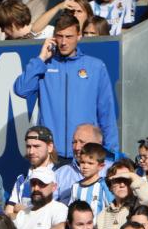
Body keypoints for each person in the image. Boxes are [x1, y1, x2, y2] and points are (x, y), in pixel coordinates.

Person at [12, 11, 120, 155]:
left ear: (79, 36)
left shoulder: (95, 66)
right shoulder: (44, 64)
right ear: (53, 37)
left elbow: (106, 113)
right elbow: (21, 90)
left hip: (85, 152)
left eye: (69, 37)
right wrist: (41, 58)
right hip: (52, 152)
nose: (63, 42)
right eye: (59, 36)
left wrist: (112, 152)